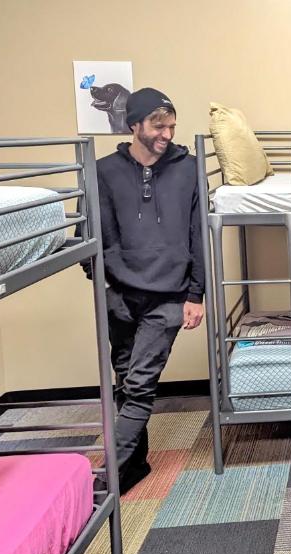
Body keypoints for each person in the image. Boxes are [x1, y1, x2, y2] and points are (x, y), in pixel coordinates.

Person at [93, 87, 204, 494]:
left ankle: (106, 481)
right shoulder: (103, 170)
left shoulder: (190, 168)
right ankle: (136, 464)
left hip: (170, 295)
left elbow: (197, 235)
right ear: (134, 125)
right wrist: (105, 282)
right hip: (120, 293)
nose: (167, 133)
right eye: (159, 125)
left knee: (140, 384)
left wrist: (196, 294)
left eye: (172, 125)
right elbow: (97, 232)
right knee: (124, 379)